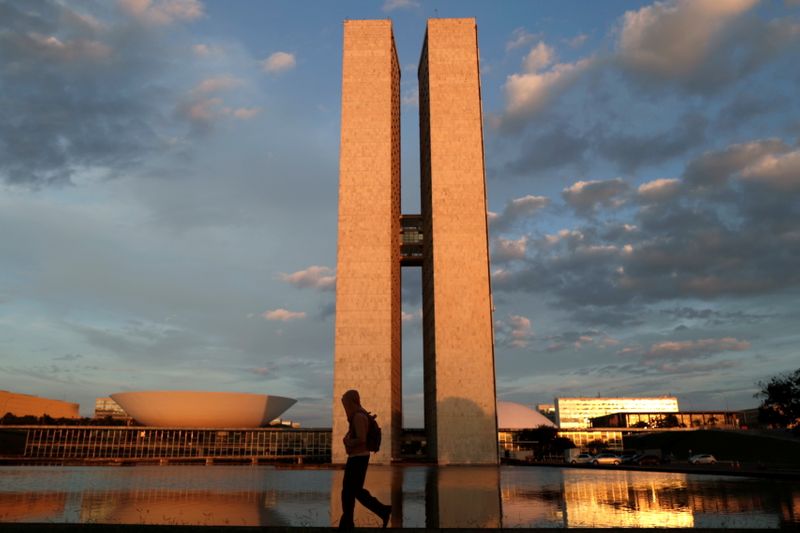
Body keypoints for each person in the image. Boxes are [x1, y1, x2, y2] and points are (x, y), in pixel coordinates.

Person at [339, 389, 391, 529]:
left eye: (346, 404)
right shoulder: (359, 415)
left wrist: (348, 442)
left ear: (351, 402)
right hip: (358, 458)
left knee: (352, 491)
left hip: (358, 458)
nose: (345, 407)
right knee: (351, 492)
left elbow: (361, 438)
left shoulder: (358, 417)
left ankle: (382, 511)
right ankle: (348, 522)